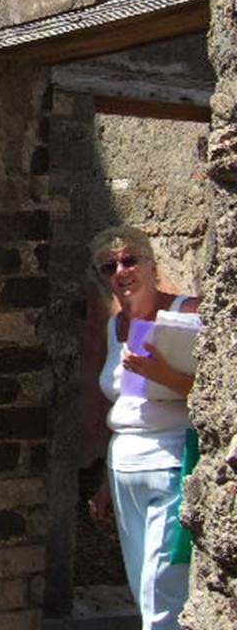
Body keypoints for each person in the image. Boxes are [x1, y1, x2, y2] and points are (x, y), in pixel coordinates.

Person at [85, 225, 200, 630]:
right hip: (124, 468)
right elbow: (122, 408)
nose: (121, 271)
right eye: (109, 267)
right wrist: (104, 481)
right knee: (141, 587)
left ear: (151, 266)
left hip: (171, 460)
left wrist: (161, 374)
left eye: (129, 260)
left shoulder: (187, 313)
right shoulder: (115, 326)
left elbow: (216, 394)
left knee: (161, 588)